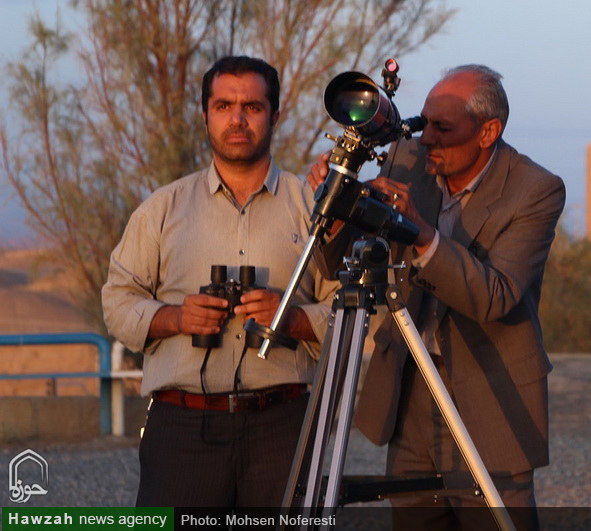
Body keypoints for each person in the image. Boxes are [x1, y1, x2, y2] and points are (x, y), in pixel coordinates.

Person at [310, 64, 565, 529]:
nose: (426, 138)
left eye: (443, 128)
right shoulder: (408, 158)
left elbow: (496, 296)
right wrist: (340, 206)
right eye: (424, 122)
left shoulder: (535, 190)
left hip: (492, 398)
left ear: (488, 131)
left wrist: (423, 234)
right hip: (409, 391)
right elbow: (330, 265)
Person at [103, 56, 337, 508]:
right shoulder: (162, 209)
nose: (237, 119)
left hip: (283, 425)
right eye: (224, 105)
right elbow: (116, 302)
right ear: (204, 113)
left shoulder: (314, 207)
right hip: (182, 426)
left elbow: (353, 314)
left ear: (274, 114)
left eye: (252, 107)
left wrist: (292, 320)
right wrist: (174, 317)